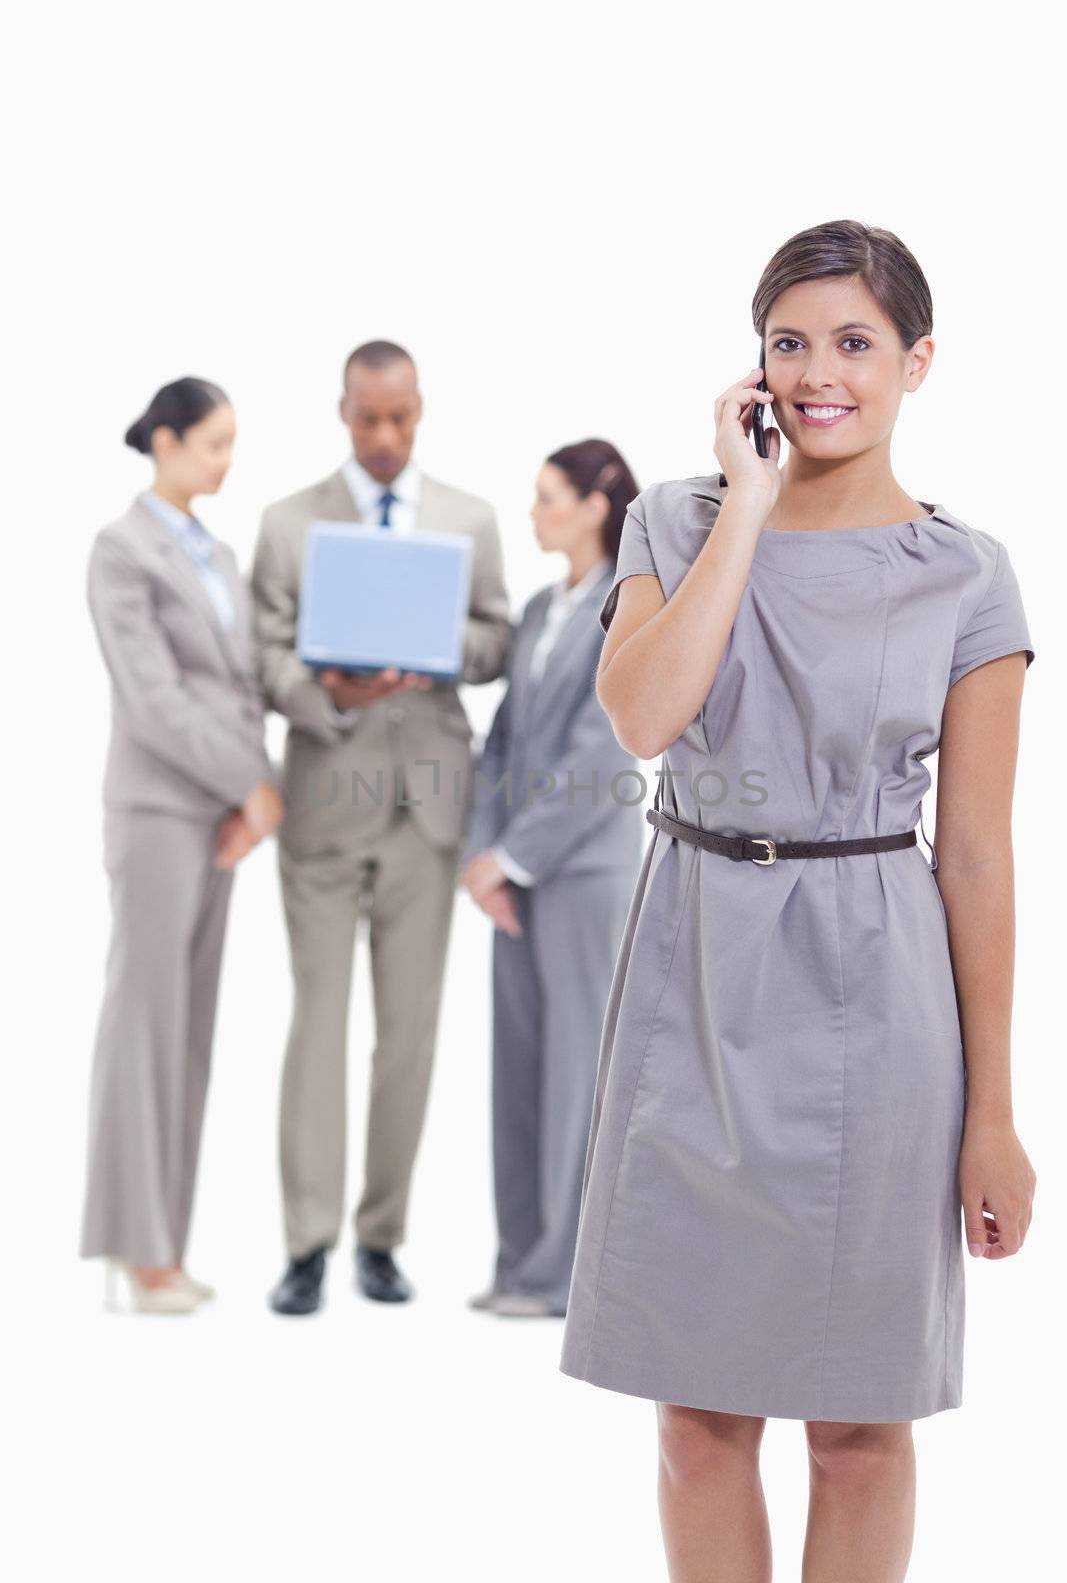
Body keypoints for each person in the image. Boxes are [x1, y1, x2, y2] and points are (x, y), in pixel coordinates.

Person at [558, 221, 1038, 1580]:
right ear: (751, 361)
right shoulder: (674, 517)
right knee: (695, 1419)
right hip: (693, 968)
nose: (817, 373)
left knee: (854, 1424)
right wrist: (747, 508)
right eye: (788, 342)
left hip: (871, 992)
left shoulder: (963, 573)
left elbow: (979, 855)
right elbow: (646, 716)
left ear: (914, 362)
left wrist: (992, 1111)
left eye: (852, 343)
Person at [252, 339, 510, 1315]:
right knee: (317, 1023)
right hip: (325, 796)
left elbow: (496, 641)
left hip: (427, 807)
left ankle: (379, 1236)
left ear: (419, 408)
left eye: (400, 417)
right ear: (343, 412)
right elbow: (263, 651)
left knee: (408, 1032)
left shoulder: (467, 519)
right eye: (368, 419)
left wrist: (435, 645)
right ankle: (306, 1242)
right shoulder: (286, 524)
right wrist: (328, 687)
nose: (385, 436)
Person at [81, 377, 285, 1314]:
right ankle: (135, 1250)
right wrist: (245, 782)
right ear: (165, 441)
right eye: (213, 442)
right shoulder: (121, 552)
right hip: (161, 810)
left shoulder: (218, 550)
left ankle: (166, 1246)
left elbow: (240, 684)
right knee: (144, 1024)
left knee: (190, 1028)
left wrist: (259, 790)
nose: (225, 460)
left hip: (220, 817)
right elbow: (153, 697)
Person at [461, 440, 646, 1319]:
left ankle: (562, 1275)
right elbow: (501, 742)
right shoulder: (539, 611)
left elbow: (602, 751)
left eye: (546, 498)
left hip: (583, 874)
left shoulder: (630, 606)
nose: (532, 513)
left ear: (592, 506)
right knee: (521, 1067)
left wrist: (515, 855)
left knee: (579, 1069)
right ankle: (517, 1264)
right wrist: (483, 855)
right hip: (515, 879)